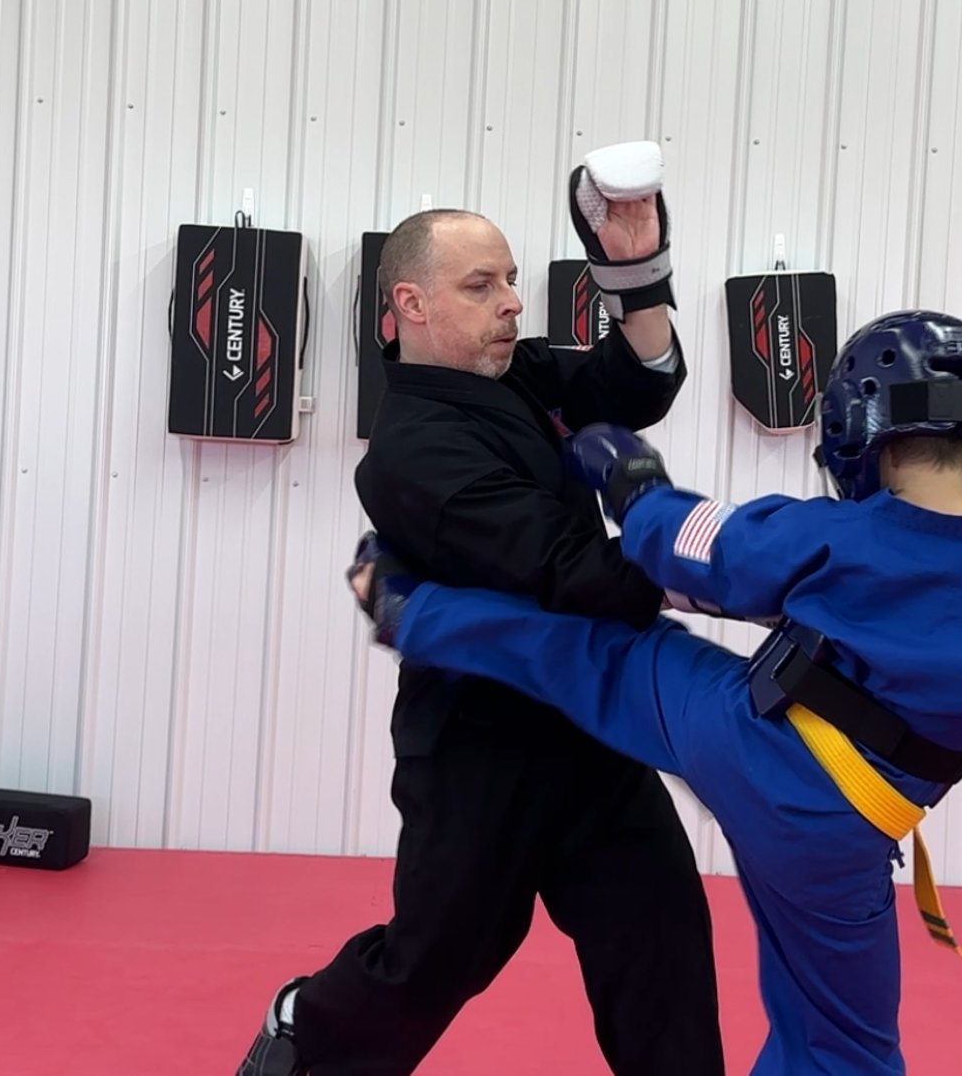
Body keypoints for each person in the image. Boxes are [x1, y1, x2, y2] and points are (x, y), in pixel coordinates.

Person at [343, 309, 962, 1075]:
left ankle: (407, 608)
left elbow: (684, 550)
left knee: (596, 656)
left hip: (756, 749)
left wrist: (630, 479)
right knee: (846, 1044)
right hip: (854, 830)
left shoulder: (831, 540)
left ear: (855, 426)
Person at [237, 144, 725, 1075]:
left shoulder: (522, 376)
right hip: (477, 745)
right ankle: (308, 1025)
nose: (511, 300)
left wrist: (634, 263)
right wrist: (745, 570)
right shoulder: (409, 452)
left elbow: (641, 383)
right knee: (438, 963)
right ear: (411, 305)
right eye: (480, 285)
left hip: (591, 727)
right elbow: (566, 567)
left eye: (509, 279)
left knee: (660, 939)